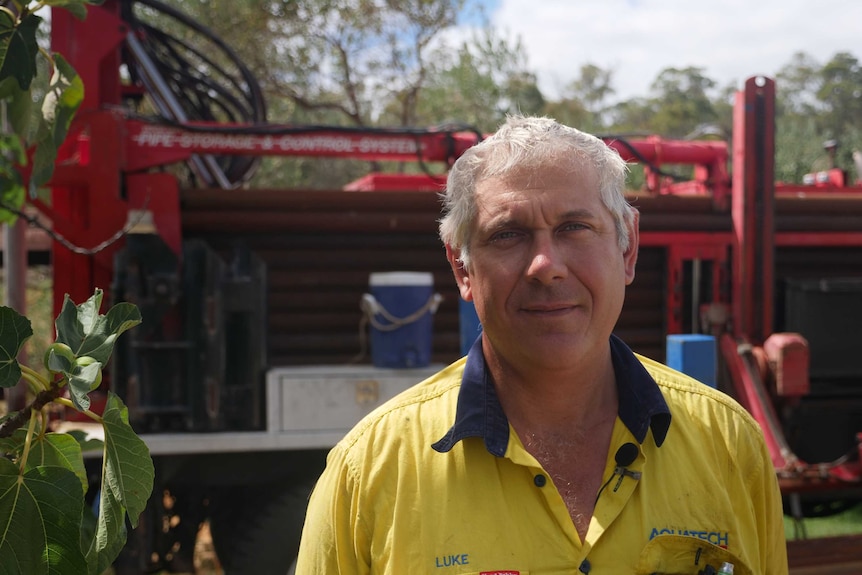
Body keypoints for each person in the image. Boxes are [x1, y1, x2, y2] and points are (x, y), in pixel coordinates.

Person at [295, 115, 788, 574]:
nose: (545, 265)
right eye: (508, 234)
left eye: (574, 227)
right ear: (462, 268)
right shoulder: (368, 473)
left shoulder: (729, 444)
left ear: (628, 248)